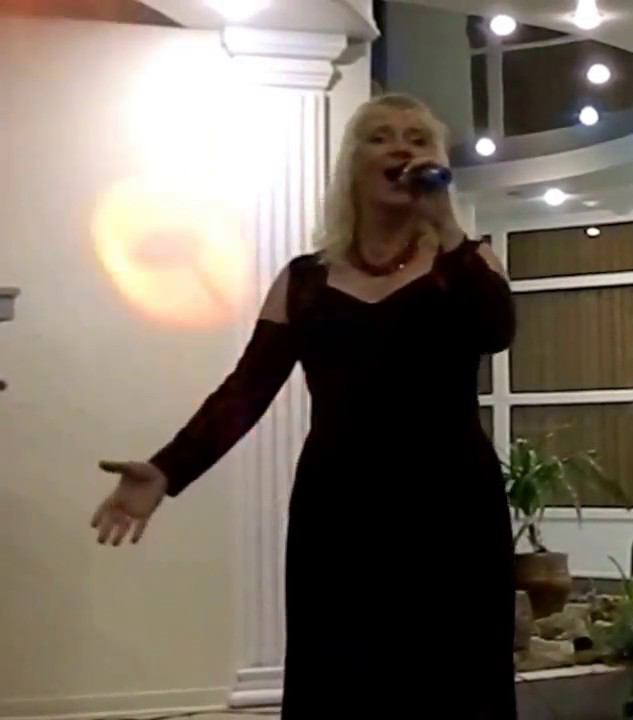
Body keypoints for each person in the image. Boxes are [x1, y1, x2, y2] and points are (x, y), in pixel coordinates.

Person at [90, 93, 517, 718]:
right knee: (341, 678)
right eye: (380, 136)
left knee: (453, 679)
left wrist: (446, 224)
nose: (401, 148)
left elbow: (496, 332)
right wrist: (167, 469)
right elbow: (246, 389)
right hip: (340, 507)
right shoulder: (306, 279)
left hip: (450, 504)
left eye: (418, 139)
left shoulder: (465, 261)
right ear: (353, 163)